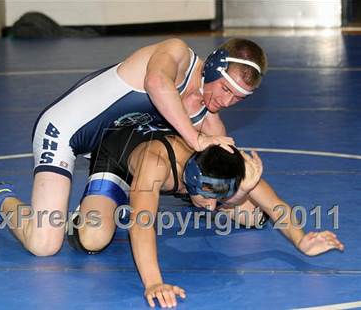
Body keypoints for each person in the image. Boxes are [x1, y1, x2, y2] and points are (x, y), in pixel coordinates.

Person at [0, 38, 268, 258]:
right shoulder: (176, 55)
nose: (227, 102)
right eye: (226, 89)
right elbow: (156, 84)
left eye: (239, 98)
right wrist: (195, 139)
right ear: (213, 68)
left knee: (253, 214)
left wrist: (240, 190)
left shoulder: (209, 123)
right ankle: (1, 201)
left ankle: (97, 206)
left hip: (117, 152)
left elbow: (221, 182)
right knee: (44, 243)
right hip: (66, 131)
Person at [61, 125, 342, 308]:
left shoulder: (223, 164)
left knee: (253, 217)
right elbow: (141, 224)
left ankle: (223, 195)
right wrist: (154, 282)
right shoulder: (155, 164)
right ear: (192, 183)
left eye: (218, 199)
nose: (211, 208)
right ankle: (99, 204)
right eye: (209, 199)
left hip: (183, 173)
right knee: (93, 238)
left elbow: (274, 206)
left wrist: (301, 239)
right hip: (118, 157)